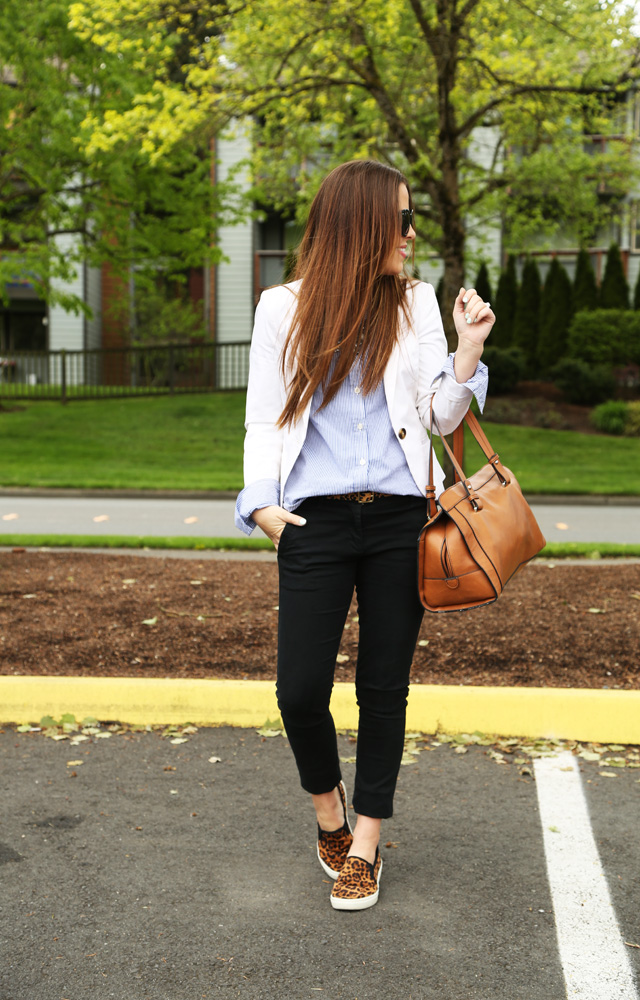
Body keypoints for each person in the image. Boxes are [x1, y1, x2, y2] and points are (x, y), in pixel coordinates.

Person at [235, 159, 493, 911]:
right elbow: (262, 417)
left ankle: (367, 843)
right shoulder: (282, 307)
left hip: (396, 519)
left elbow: (441, 417)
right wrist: (258, 505)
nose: (412, 235)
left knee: (384, 688)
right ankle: (330, 816)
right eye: (401, 221)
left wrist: (467, 349)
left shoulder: (413, 303)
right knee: (299, 690)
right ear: (361, 225)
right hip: (312, 518)